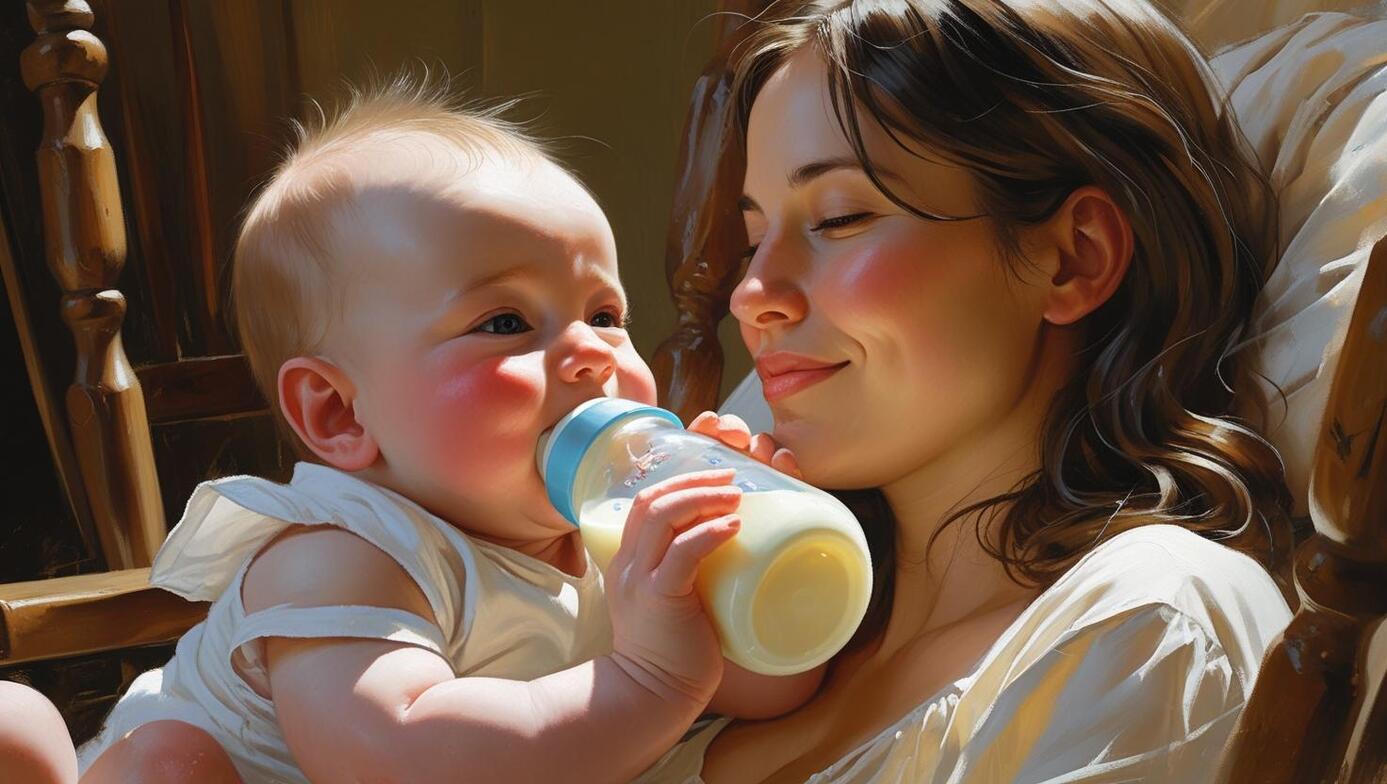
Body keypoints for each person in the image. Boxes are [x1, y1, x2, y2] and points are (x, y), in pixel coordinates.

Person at [0, 76, 823, 783]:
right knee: (168, 766)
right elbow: (402, 763)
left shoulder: (608, 539)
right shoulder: (342, 557)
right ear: (340, 412)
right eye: (504, 322)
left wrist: (740, 573)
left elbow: (759, 689)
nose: (589, 355)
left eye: (605, 314)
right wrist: (644, 677)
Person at [640, 0, 1296, 780]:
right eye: (753, 240)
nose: (751, 295)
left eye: (841, 217)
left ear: (1072, 258)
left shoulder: (1148, 621)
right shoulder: (737, 648)